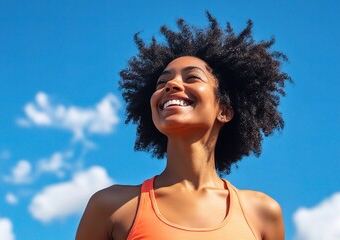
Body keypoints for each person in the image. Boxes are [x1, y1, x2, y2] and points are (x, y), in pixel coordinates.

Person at [76, 12, 291, 240]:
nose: (171, 84)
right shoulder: (111, 207)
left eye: (192, 78)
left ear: (224, 111)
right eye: (162, 82)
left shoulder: (263, 213)